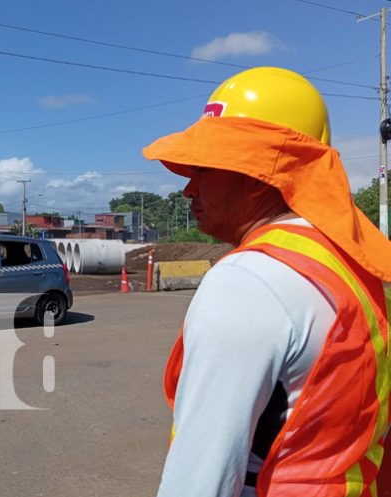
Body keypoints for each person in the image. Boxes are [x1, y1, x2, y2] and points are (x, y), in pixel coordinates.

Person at [143, 67, 391, 497]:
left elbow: (201, 479)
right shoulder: (350, 264)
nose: (187, 189)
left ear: (258, 175)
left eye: (204, 169)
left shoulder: (248, 281)